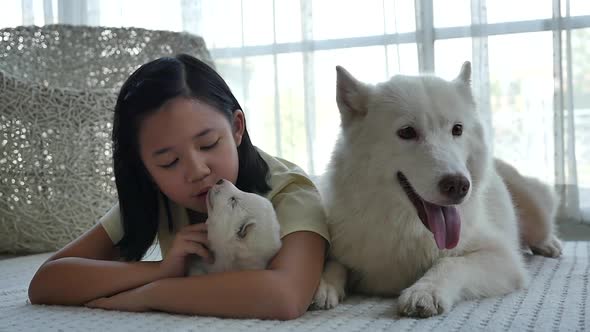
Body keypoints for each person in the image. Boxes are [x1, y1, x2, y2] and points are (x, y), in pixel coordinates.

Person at [27, 54, 330, 320]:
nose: (197, 172)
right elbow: (47, 282)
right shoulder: (159, 194)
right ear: (144, 169)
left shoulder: (291, 191)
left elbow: (284, 296)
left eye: (209, 143)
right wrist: (159, 269)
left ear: (237, 127)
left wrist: (151, 294)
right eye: (170, 161)